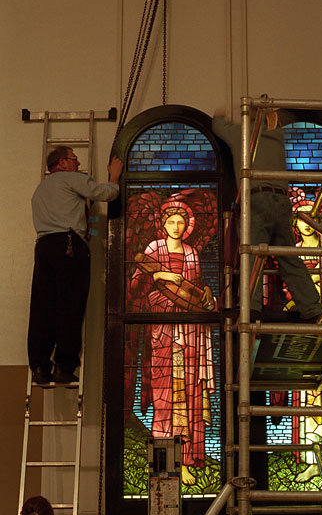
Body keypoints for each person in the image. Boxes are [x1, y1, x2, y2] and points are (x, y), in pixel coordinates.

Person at [127, 194, 216, 487]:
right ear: (163, 223)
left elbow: (196, 287)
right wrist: (159, 274)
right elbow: (135, 285)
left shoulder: (191, 253)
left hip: (190, 332)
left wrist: (206, 294)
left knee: (189, 394)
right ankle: (164, 464)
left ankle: (186, 460)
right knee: (167, 397)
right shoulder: (153, 249)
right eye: (171, 221)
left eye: (181, 222)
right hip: (164, 332)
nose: (176, 226)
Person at [212, 108, 321, 321]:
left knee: (251, 254)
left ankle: (250, 307)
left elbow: (218, 127)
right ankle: (312, 307)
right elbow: (288, 116)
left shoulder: (242, 134)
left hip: (256, 199)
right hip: (281, 201)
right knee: (289, 257)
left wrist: (220, 115)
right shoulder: (277, 135)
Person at [28, 145, 123, 385]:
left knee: (43, 307)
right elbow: (106, 193)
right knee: (70, 304)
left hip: (44, 247)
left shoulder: (40, 190)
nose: (78, 163)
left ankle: (40, 366)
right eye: (73, 158)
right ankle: (64, 366)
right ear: (61, 163)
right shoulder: (71, 179)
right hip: (68, 245)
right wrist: (113, 176)